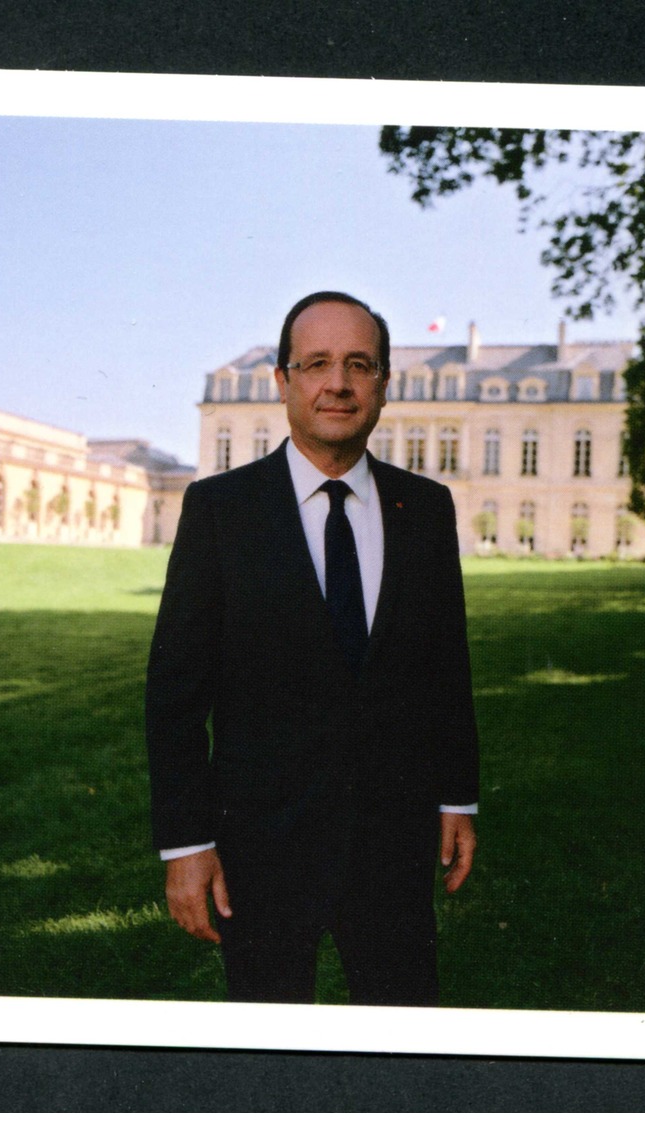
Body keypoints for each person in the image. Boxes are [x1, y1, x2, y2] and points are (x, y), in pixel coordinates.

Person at [145, 290, 480, 1006]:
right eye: (319, 363)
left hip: (393, 843)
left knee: (402, 1057)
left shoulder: (423, 509)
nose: (339, 382)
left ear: (385, 384)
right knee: (267, 1070)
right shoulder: (219, 512)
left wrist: (457, 795)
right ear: (284, 381)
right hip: (261, 849)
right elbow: (175, 697)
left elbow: (445, 667)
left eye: (360, 364)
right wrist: (186, 846)